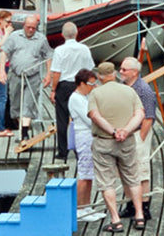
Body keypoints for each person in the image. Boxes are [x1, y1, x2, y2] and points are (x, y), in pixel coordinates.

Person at [87, 61, 146, 232]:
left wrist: (113, 132)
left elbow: (94, 115)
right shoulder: (130, 91)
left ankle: (115, 220)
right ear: (114, 74)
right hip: (126, 141)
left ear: (99, 76)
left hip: (104, 142)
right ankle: (140, 216)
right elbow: (140, 114)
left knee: (107, 183)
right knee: (133, 178)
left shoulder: (96, 93)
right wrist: (125, 131)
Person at [0, 14, 53, 143]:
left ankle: (24, 133)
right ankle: (21, 127)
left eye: (33, 28)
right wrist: (1, 71)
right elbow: (4, 52)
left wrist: (48, 74)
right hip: (15, 74)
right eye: (28, 27)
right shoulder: (15, 36)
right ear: (24, 25)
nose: (30, 30)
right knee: (16, 103)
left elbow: (48, 56)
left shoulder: (41, 39)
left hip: (33, 76)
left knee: (28, 104)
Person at [117, 57, 158, 221]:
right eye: (120, 69)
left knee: (141, 170)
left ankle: (144, 206)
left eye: (124, 70)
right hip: (126, 133)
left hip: (138, 134)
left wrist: (140, 139)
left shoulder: (144, 90)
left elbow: (149, 117)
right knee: (127, 170)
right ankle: (131, 205)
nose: (120, 72)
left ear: (134, 72)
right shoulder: (124, 86)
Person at [47, 21, 94, 160]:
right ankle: (81, 148)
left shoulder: (59, 50)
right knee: (80, 117)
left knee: (62, 119)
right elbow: (89, 69)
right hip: (80, 85)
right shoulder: (84, 49)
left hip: (64, 85)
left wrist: (53, 90)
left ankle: (62, 151)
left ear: (62, 34)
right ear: (76, 33)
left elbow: (57, 73)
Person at [69, 68, 105, 223]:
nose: (93, 86)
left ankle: (86, 206)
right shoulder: (76, 98)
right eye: (91, 84)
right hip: (84, 136)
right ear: (82, 83)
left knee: (90, 173)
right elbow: (89, 119)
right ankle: (79, 208)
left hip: (91, 136)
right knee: (84, 172)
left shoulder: (87, 95)